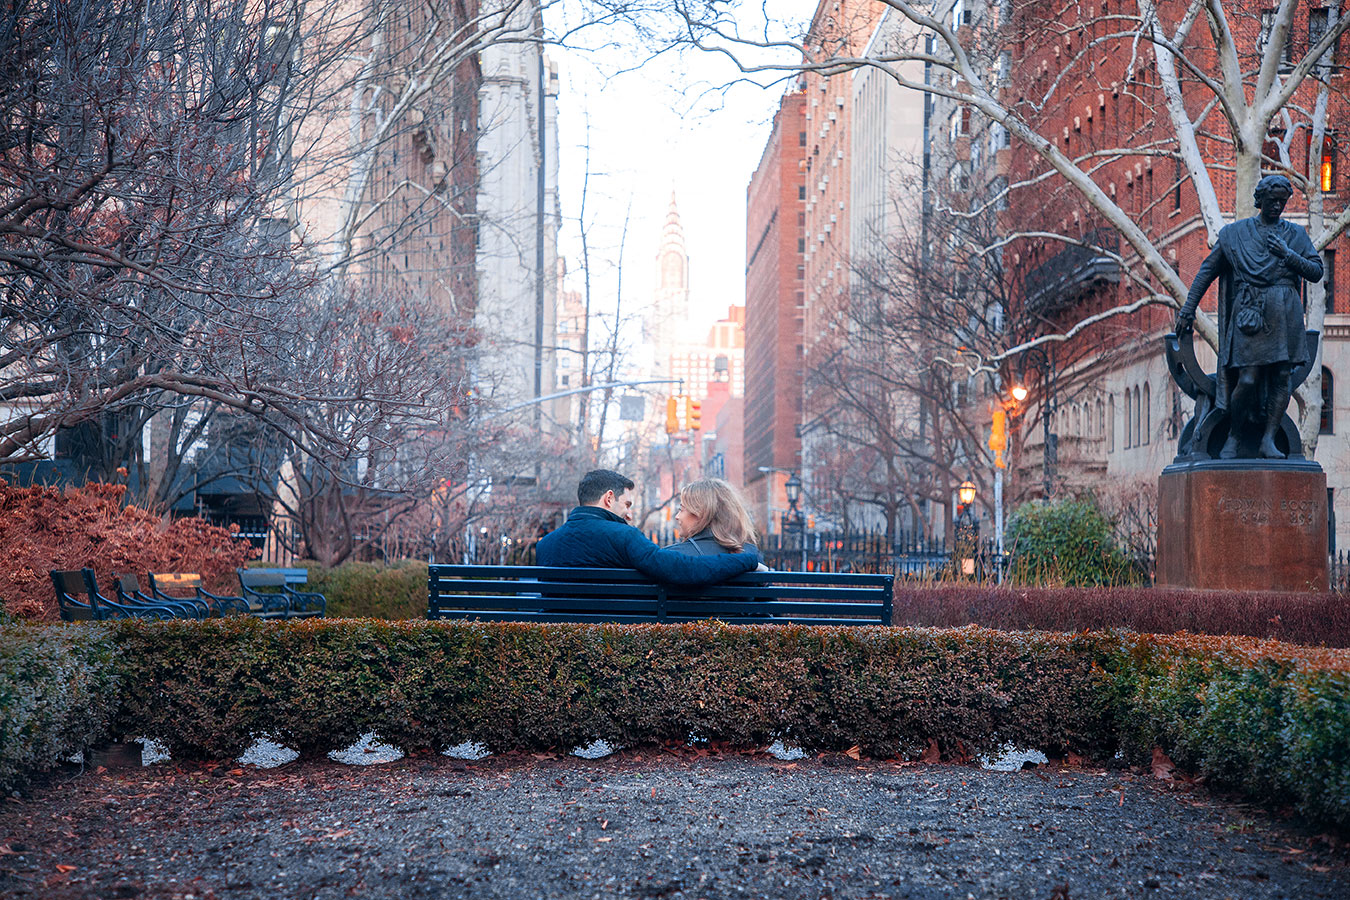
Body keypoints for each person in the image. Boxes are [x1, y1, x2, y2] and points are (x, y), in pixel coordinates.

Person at [1175, 174, 1323, 459]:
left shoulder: (1295, 235)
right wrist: (1188, 308)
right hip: (1251, 316)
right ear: (1260, 200)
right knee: (1247, 379)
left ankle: (1268, 438)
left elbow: (1316, 272)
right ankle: (1234, 434)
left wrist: (1288, 255)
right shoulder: (1236, 234)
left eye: (1282, 202)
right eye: (1271, 201)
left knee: (1282, 376)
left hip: (1285, 313)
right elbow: (1207, 271)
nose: (1277, 206)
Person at [535, 469, 761, 584]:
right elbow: (685, 570)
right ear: (608, 498)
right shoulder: (623, 537)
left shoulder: (545, 545)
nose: (630, 515)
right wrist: (748, 559)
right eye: (627, 504)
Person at [667, 478, 760, 558]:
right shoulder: (751, 553)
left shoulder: (674, 556)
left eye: (681, 509)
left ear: (700, 513)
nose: (677, 516)